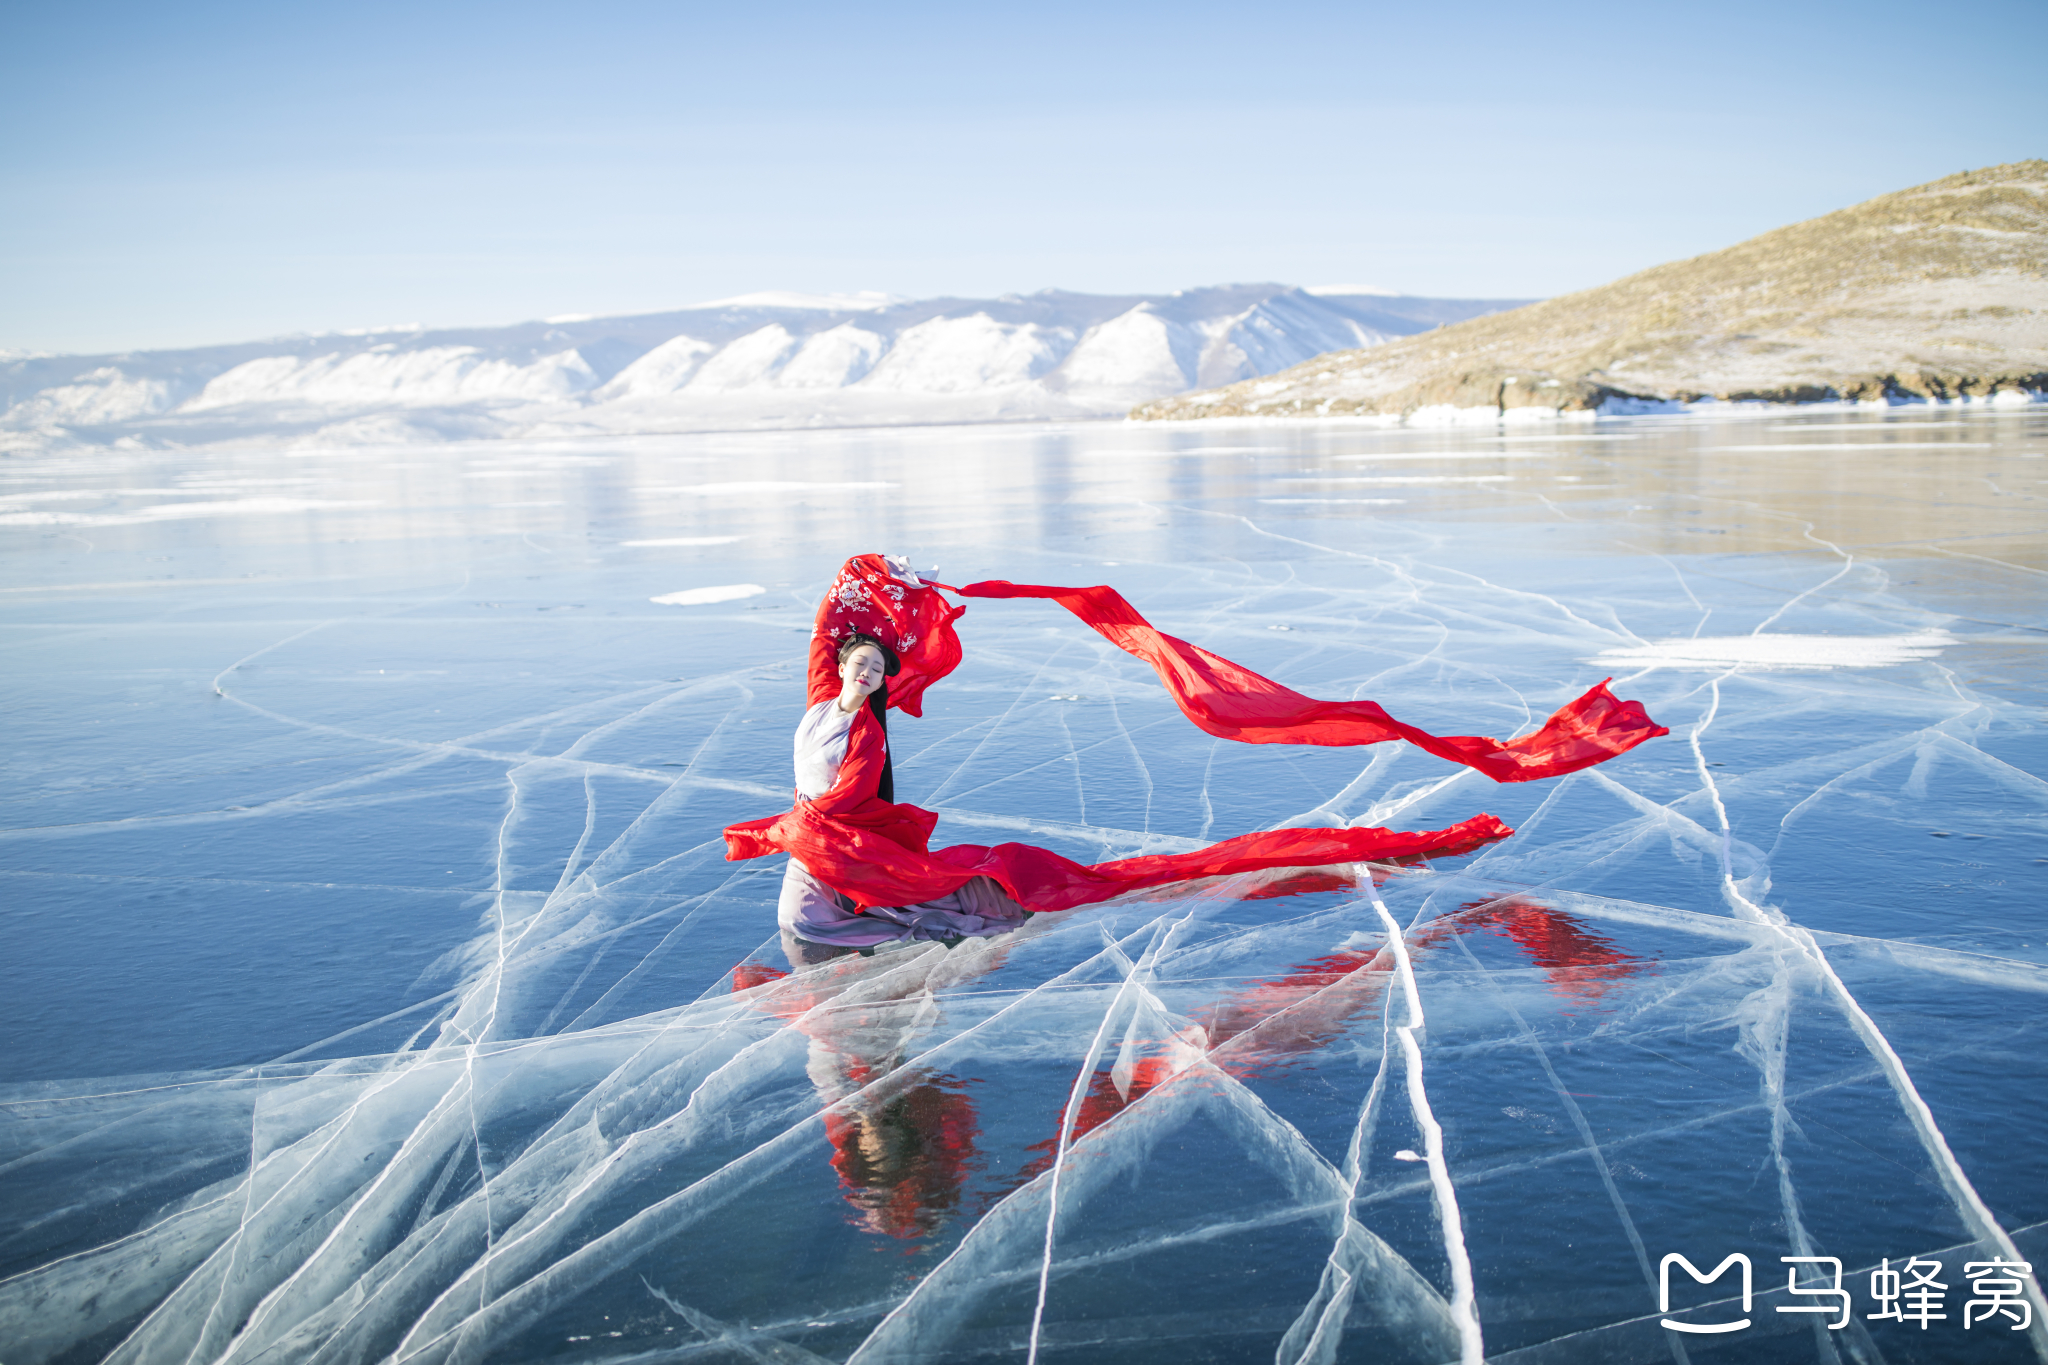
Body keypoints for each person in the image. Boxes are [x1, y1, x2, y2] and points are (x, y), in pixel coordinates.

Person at [777, 631, 1027, 956]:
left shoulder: (867, 734)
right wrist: (857, 578)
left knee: (807, 923)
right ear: (840, 667)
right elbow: (824, 634)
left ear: (881, 682)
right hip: (808, 831)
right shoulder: (819, 703)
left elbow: (851, 796)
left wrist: (793, 823)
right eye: (860, 663)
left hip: (829, 831)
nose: (866, 672)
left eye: (877, 669)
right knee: (798, 921)